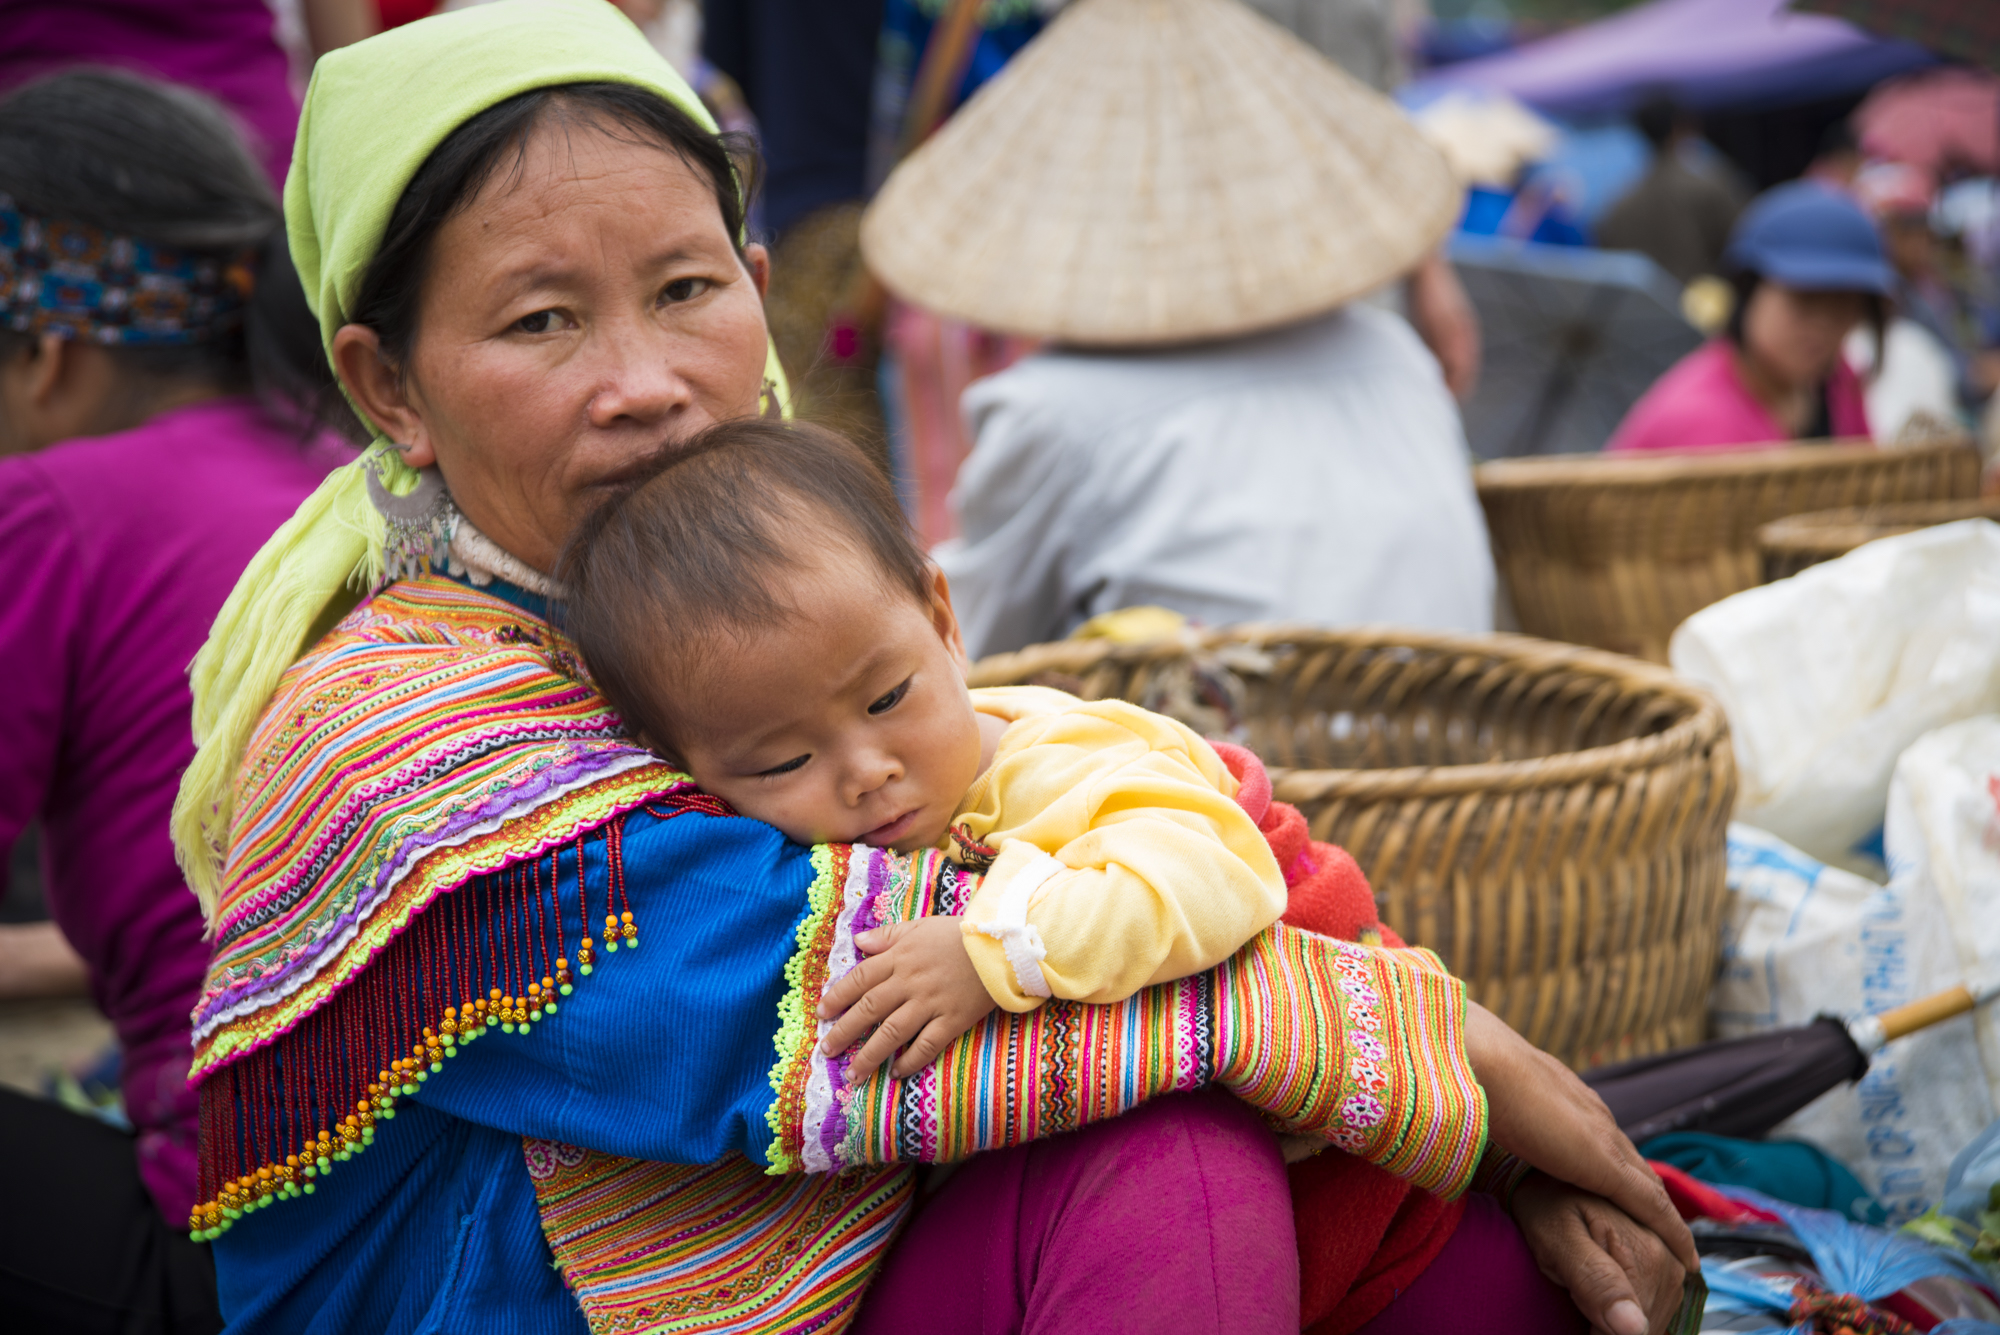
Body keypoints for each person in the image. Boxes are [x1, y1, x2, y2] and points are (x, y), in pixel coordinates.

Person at [173, 3, 1694, 1332]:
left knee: (1500, 1262)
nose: (647, 386)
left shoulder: (764, 592)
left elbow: (1035, 819)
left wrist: (1446, 1117)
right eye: (541, 319)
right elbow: (865, 995)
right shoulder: (400, 740)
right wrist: (1441, 1049)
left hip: (863, 1249)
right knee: (1160, 1144)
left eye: (688, 289)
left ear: (759, 282)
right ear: (390, 386)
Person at [560, 418, 1289, 1080]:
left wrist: (997, 950)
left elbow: (1220, 872)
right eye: (783, 763)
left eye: (886, 700)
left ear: (942, 620)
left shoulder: (1057, 764)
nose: (867, 771)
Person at [0, 69, 353, 1333]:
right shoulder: (342, 465)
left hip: (235, 1252)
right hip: (414, 1217)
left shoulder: (52, 508)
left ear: (43, 354)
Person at [866, 0, 1495, 660]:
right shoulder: (1390, 351)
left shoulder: (1053, 411)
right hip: (1454, 743)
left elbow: (959, 652)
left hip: (1251, 760)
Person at [1607, 181, 1888, 454]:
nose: (1823, 324)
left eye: (1843, 305)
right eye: (1806, 300)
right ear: (1749, 289)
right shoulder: (1703, 422)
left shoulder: (1835, 382)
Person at [1596, 95, 1748, 287]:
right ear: (1680, 126)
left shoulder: (1618, 205)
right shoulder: (1711, 186)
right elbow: (1743, 249)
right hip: (1705, 309)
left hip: (1643, 312)